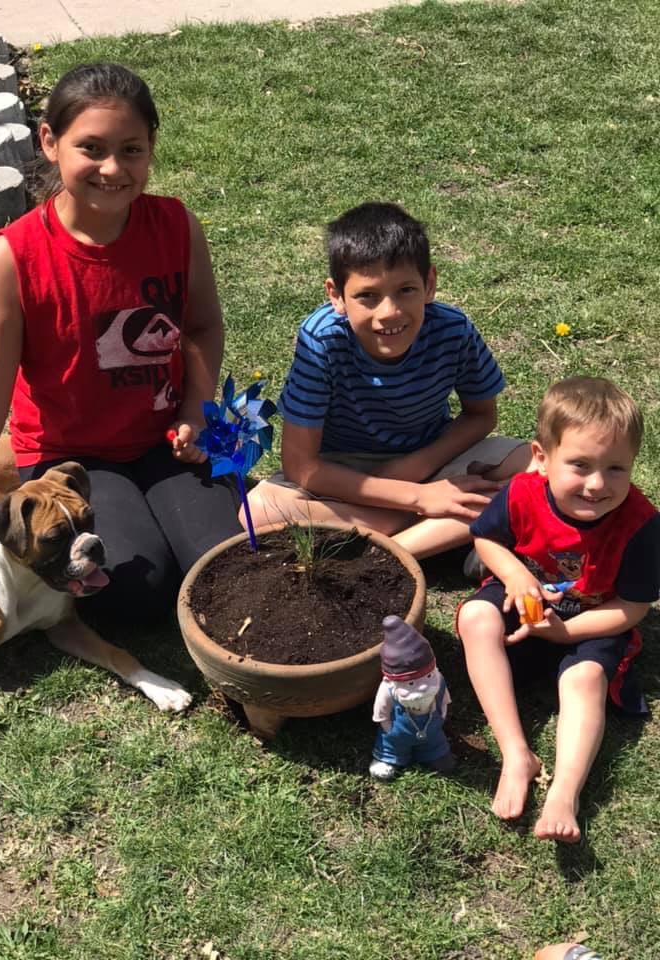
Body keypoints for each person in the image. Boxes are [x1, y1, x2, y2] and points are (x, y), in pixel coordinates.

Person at [0, 62, 241, 627]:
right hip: (71, 456)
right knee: (134, 591)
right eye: (92, 148)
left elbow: (202, 327)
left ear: (151, 148)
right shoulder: (15, 257)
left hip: (165, 440)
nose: (113, 168)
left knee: (222, 566)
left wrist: (194, 409)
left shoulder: (177, 226)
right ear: (49, 142)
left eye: (131, 150)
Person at [243, 201, 531, 558]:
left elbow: (482, 415)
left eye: (406, 290)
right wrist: (418, 497)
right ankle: (430, 528)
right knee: (258, 510)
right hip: (343, 472)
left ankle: (386, 547)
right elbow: (301, 467)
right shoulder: (322, 340)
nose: (389, 312)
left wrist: (413, 468)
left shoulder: (453, 330)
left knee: (536, 466)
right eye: (367, 296)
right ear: (336, 296)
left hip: (430, 458)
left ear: (429, 284)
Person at [458, 377, 660, 842]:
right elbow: (486, 539)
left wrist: (566, 633)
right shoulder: (521, 492)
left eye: (616, 468)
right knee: (475, 618)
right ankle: (515, 753)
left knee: (584, 679)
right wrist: (515, 575)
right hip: (524, 599)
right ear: (542, 458)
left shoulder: (641, 524)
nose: (597, 484)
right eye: (580, 465)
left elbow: (632, 606)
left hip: (593, 616)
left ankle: (564, 793)